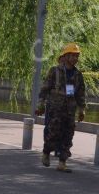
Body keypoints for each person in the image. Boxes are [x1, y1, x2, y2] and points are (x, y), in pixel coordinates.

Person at [36, 43, 86, 172]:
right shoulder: (55, 71)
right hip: (55, 109)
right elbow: (45, 88)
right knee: (53, 133)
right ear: (66, 56)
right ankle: (46, 152)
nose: (75, 58)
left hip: (70, 110)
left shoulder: (78, 75)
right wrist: (41, 103)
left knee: (68, 135)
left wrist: (82, 109)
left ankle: (62, 162)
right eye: (73, 55)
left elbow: (80, 94)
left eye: (77, 56)